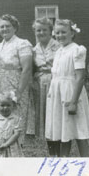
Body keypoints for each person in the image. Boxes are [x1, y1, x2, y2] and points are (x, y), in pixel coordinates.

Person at [45, 19, 89, 157]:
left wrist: (73, 101)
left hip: (71, 93)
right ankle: (63, 162)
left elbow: (80, 77)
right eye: (57, 33)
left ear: (72, 33)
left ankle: (86, 162)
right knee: (63, 130)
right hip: (58, 94)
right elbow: (56, 76)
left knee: (79, 129)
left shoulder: (77, 50)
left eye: (64, 32)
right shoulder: (59, 51)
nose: (60, 35)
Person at [0, 14, 33, 145]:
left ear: (15, 27)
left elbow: (27, 69)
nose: (4, 29)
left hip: (15, 88)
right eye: (1, 27)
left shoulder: (22, 44)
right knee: (0, 124)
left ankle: (17, 152)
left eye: (7, 26)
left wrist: (18, 92)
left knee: (14, 124)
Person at [30, 17, 60, 156]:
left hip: (56, 83)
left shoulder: (59, 46)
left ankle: (60, 152)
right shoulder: (34, 49)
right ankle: (52, 153)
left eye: (44, 30)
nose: (41, 32)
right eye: (38, 30)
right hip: (40, 86)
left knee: (56, 117)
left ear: (51, 30)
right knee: (46, 119)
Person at [0, 91, 23, 157]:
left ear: (13, 106)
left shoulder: (16, 120)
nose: (5, 107)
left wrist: (6, 144)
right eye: (2, 105)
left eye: (8, 105)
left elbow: (16, 134)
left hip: (12, 148)